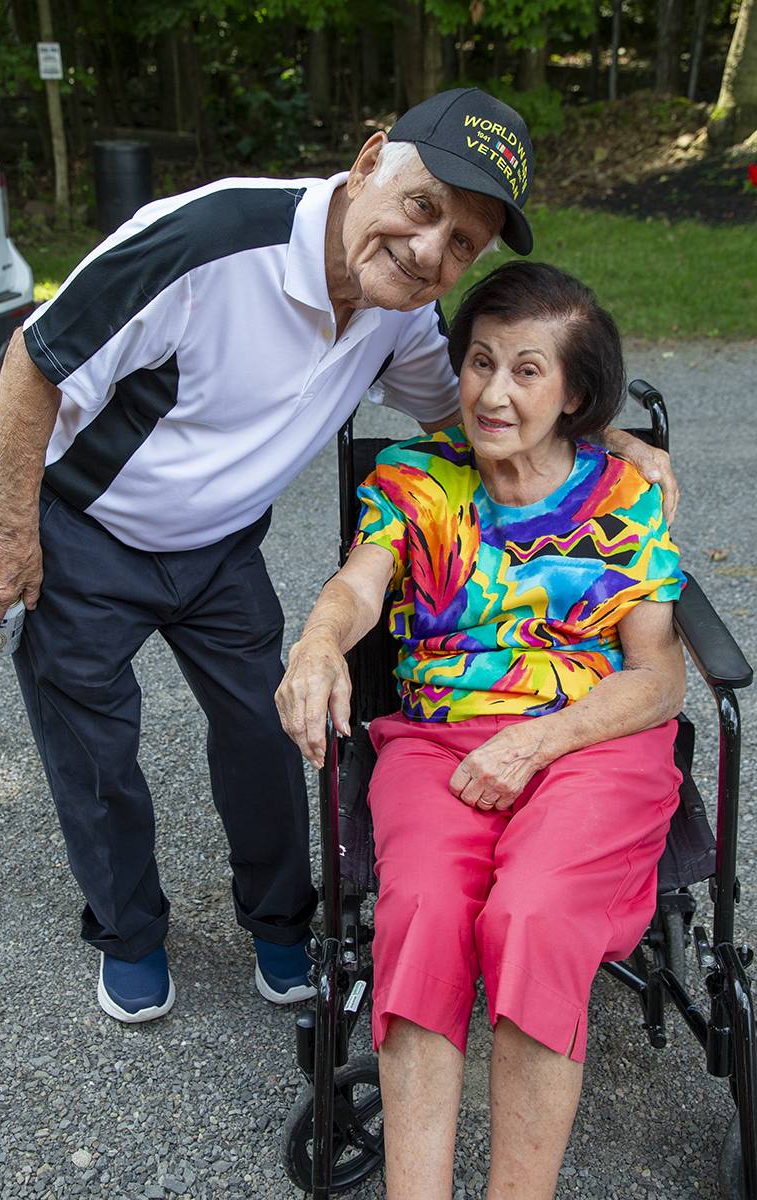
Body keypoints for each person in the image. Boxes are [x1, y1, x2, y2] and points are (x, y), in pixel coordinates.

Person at [0, 87, 675, 1028]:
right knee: (95, 751)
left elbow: (469, 416)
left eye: (462, 244)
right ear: (372, 157)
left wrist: (601, 437)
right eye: (424, 209)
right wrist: (13, 530)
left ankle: (278, 924)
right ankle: (130, 936)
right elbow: (36, 355)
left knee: (270, 732)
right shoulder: (208, 239)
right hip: (90, 531)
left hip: (221, 546)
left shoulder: (396, 308)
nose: (431, 252)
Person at [275, 260, 686, 1200]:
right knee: (418, 913)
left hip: (591, 741)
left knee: (534, 915)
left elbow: (660, 676)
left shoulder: (622, 498)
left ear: (576, 393)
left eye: (528, 371)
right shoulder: (415, 479)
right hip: (437, 742)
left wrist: (536, 742)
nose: (494, 393)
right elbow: (358, 586)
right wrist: (318, 644)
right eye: (480, 363)